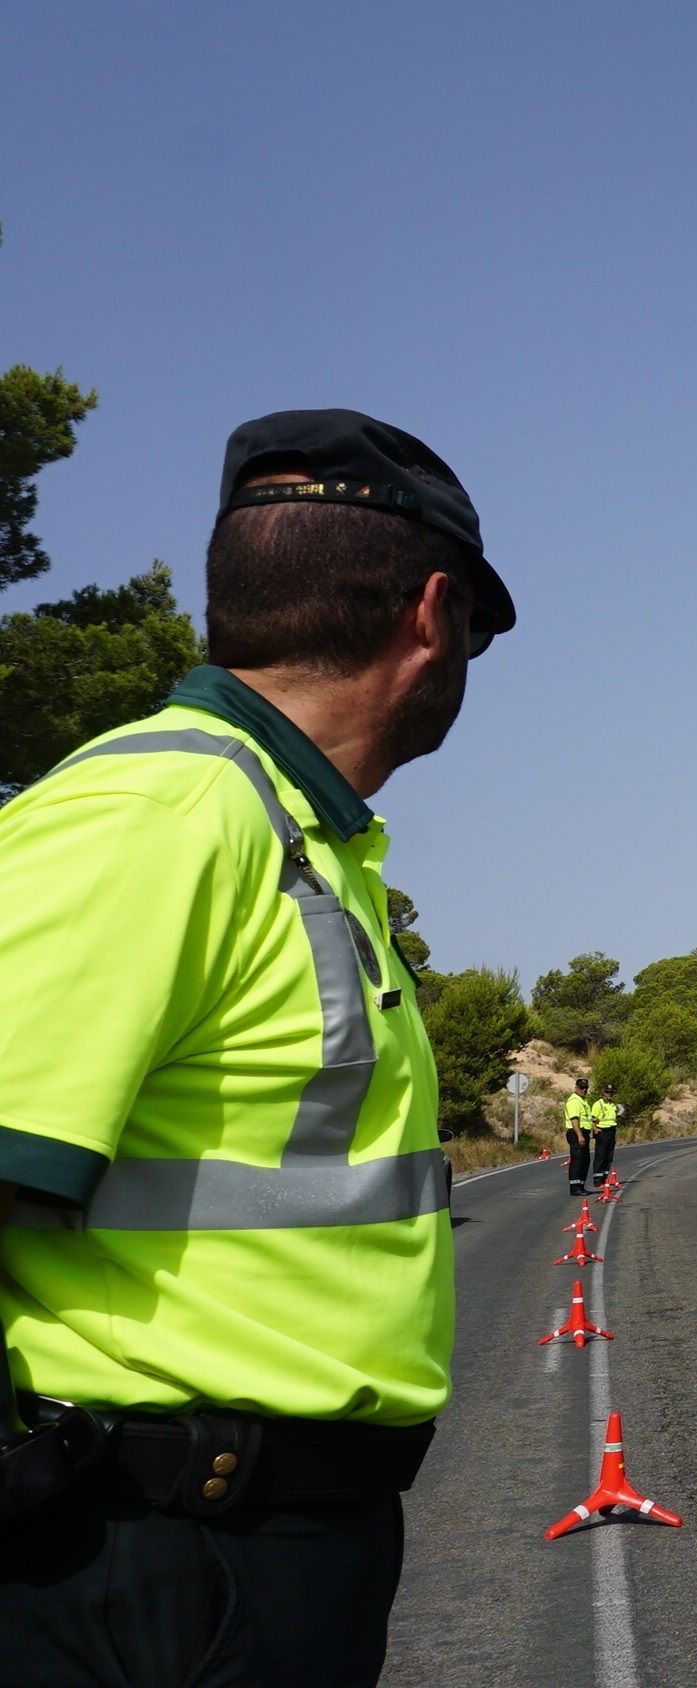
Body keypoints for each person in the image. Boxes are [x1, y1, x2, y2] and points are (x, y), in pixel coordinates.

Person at [0, 408, 513, 1685]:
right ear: (433, 616)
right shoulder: (160, 812)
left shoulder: (294, 832)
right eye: (483, 634)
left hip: (272, 1545)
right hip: (147, 1566)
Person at [563, 1077, 593, 1194]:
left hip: (584, 1132)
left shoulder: (583, 1100)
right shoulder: (574, 1101)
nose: (584, 1090)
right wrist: (580, 1135)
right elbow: (574, 1119)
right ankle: (575, 1187)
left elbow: (587, 1119)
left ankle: (580, 1185)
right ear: (576, 1087)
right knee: (578, 1159)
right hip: (576, 1133)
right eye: (582, 1088)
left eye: (586, 1088)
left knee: (585, 1159)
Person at [587, 1084, 620, 1185]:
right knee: (600, 1155)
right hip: (602, 1131)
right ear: (603, 1093)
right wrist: (595, 1128)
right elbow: (591, 1118)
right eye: (607, 1092)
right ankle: (597, 1179)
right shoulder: (598, 1104)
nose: (609, 1094)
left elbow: (618, 1114)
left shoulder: (613, 1104)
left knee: (609, 1156)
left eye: (611, 1092)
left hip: (611, 1130)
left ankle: (605, 1177)